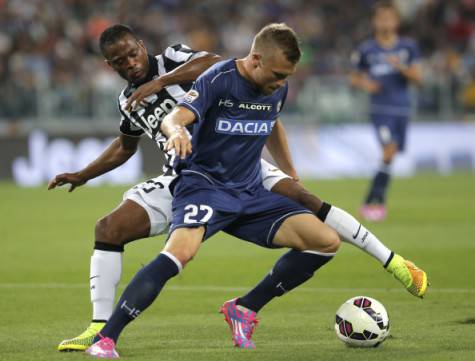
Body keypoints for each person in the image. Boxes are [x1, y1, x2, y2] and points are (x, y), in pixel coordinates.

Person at [84, 23, 427, 359]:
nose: (281, 82)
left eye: (287, 77)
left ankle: (244, 308)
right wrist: (175, 131)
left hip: (249, 187)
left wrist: (290, 170)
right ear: (256, 59)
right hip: (204, 186)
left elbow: (273, 123)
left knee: (325, 242)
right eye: (277, 74)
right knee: (179, 254)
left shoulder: (276, 86)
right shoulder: (218, 79)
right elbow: (178, 115)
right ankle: (106, 338)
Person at [349, 1, 422, 222]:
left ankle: (373, 199)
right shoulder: (366, 50)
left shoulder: (408, 48)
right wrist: (366, 84)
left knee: (390, 156)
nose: (385, 22)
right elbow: (353, 77)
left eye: (389, 18)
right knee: (389, 150)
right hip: (380, 110)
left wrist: (401, 67)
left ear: (397, 21)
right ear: (374, 21)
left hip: (402, 109)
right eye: (381, 18)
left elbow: (419, 79)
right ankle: (375, 202)